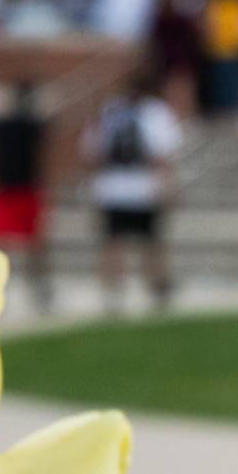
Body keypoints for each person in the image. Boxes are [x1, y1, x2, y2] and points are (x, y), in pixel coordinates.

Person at [79, 70, 183, 312]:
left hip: (112, 186)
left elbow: (92, 152)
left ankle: (112, 292)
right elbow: (161, 153)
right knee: (151, 241)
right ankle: (157, 288)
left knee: (113, 242)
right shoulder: (155, 112)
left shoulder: (109, 112)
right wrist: (169, 185)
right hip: (143, 185)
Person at [0, 79, 54, 313]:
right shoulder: (32, 126)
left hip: (10, 189)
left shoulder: (0, 125)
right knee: (30, 245)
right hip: (19, 189)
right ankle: (39, 289)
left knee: (0, 242)